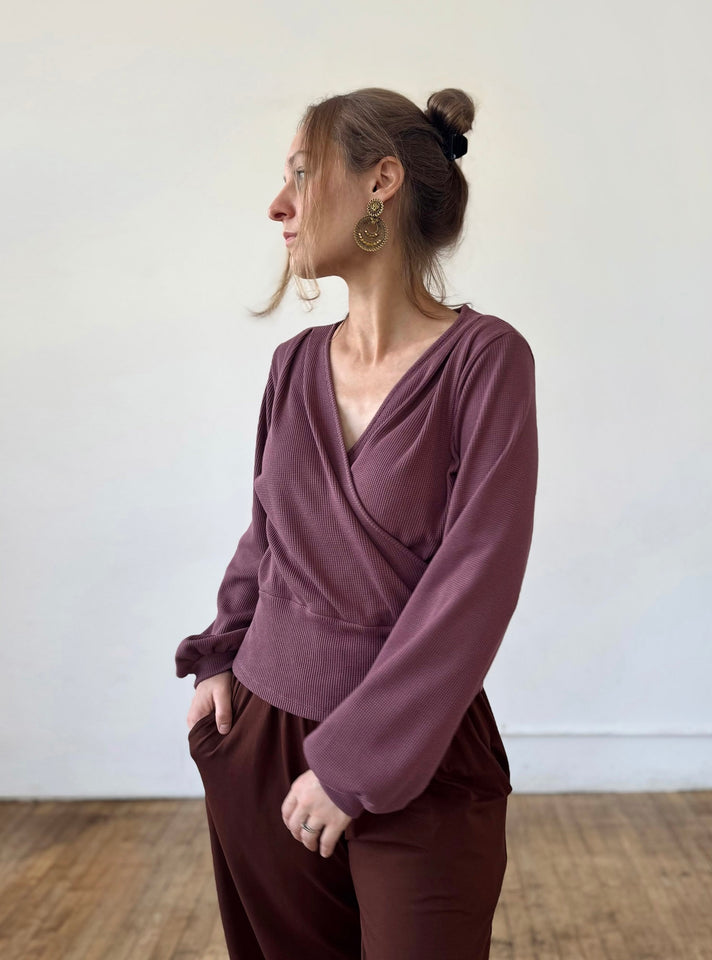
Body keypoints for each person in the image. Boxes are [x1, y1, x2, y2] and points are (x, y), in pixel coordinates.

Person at [175, 86, 538, 960]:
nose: (279, 204)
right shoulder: (292, 365)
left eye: (302, 174)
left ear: (381, 181)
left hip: (416, 749)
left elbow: (477, 583)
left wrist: (353, 765)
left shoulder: (484, 361)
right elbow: (267, 532)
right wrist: (220, 652)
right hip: (261, 731)